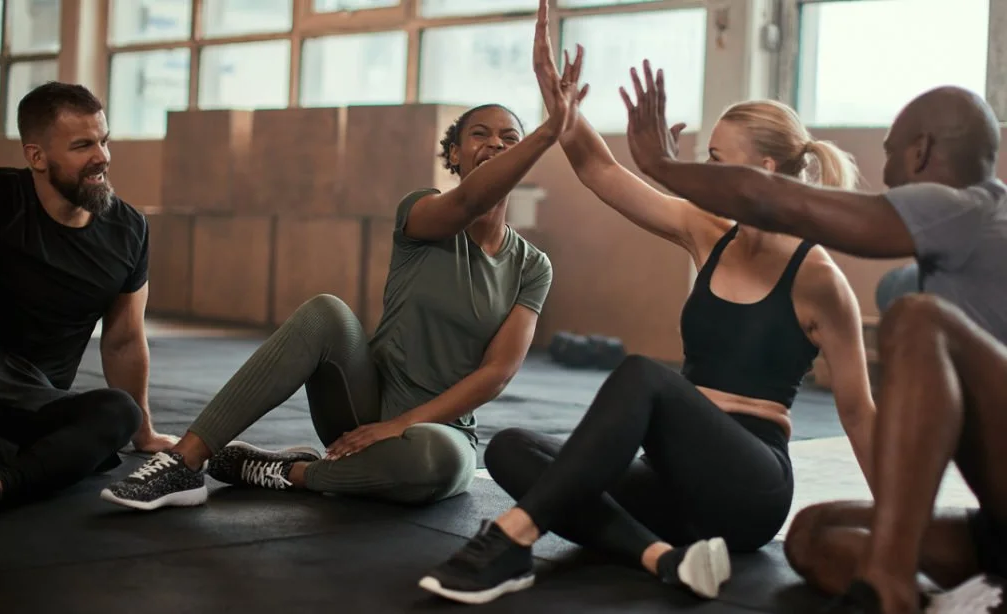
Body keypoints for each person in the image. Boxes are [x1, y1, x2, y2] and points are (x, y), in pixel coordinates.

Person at [417, 2, 876, 605]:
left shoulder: (818, 278)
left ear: (763, 169)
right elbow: (598, 169)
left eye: (715, 160)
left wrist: (901, 537)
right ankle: (664, 559)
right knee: (513, 449)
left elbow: (859, 413)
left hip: (749, 490)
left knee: (643, 376)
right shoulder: (708, 232)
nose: (700, 171)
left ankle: (511, 540)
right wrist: (557, 99)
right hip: (671, 482)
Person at [97, 49, 583, 511]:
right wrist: (547, 132)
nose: (496, 144)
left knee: (441, 464)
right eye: (480, 134)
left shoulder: (532, 266)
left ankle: (288, 472)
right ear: (454, 155)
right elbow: (469, 203)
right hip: (360, 404)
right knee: (325, 312)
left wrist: (401, 425)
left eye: (510, 138)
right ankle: (184, 462)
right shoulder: (423, 211)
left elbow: (497, 373)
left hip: (437, 430)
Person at [618, 58, 1007, 614]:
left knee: (916, 319)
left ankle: (889, 583)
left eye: (892, 151)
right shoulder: (966, 231)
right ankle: (959, 602)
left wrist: (661, 163)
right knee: (812, 537)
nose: (887, 172)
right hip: (995, 523)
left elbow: (775, 200)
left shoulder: (965, 206)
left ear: (921, 151)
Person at [0, 81, 176, 523]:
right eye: (82, 145)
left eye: (104, 141)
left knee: (119, 413)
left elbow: (124, 340)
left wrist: (144, 433)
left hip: (35, 408)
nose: (102, 157)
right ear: (37, 157)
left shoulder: (128, 230)